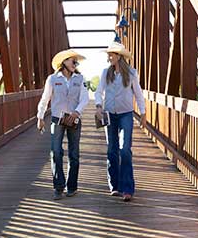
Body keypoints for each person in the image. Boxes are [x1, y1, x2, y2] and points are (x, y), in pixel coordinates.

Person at [95, 42, 146, 202]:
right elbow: (98, 91)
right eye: (109, 54)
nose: (109, 57)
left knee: (125, 150)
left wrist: (143, 113)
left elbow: (138, 94)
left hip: (126, 114)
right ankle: (115, 186)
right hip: (110, 114)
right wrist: (98, 106)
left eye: (112, 54)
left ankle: (127, 188)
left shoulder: (131, 73)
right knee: (112, 150)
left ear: (119, 57)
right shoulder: (105, 73)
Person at [37, 49, 89, 200]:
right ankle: (58, 187)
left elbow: (84, 98)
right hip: (57, 119)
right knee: (56, 151)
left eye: (76, 61)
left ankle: (71, 187)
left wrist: (76, 112)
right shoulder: (52, 79)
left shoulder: (80, 79)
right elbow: (45, 98)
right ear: (64, 62)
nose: (75, 63)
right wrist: (40, 116)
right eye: (72, 60)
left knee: (74, 154)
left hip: (74, 120)